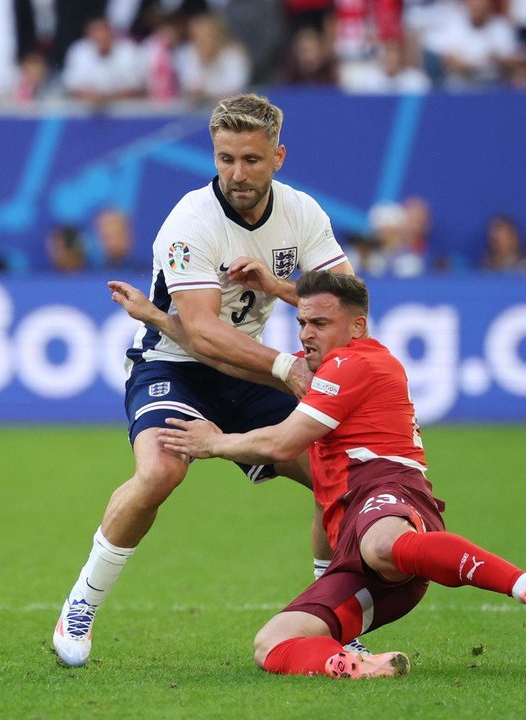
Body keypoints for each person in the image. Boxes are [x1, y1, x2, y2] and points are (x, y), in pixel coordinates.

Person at [135, 270, 526, 679]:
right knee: (271, 644)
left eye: (320, 323)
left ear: (358, 326)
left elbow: (281, 445)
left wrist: (214, 443)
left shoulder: (357, 363)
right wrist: (157, 318)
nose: (306, 333)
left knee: (382, 542)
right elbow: (224, 359)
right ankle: (356, 666)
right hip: (369, 561)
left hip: (388, 491)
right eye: (302, 322)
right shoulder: (324, 369)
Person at [52, 93, 354, 668]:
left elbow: (349, 303)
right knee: (162, 470)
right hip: (174, 364)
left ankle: (331, 619)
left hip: (247, 368)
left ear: (278, 157)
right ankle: (82, 604)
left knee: (332, 477)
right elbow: (203, 332)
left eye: (251, 160)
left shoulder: (303, 214)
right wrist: (286, 366)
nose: (237, 174)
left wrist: (277, 284)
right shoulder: (191, 221)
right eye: (225, 159)